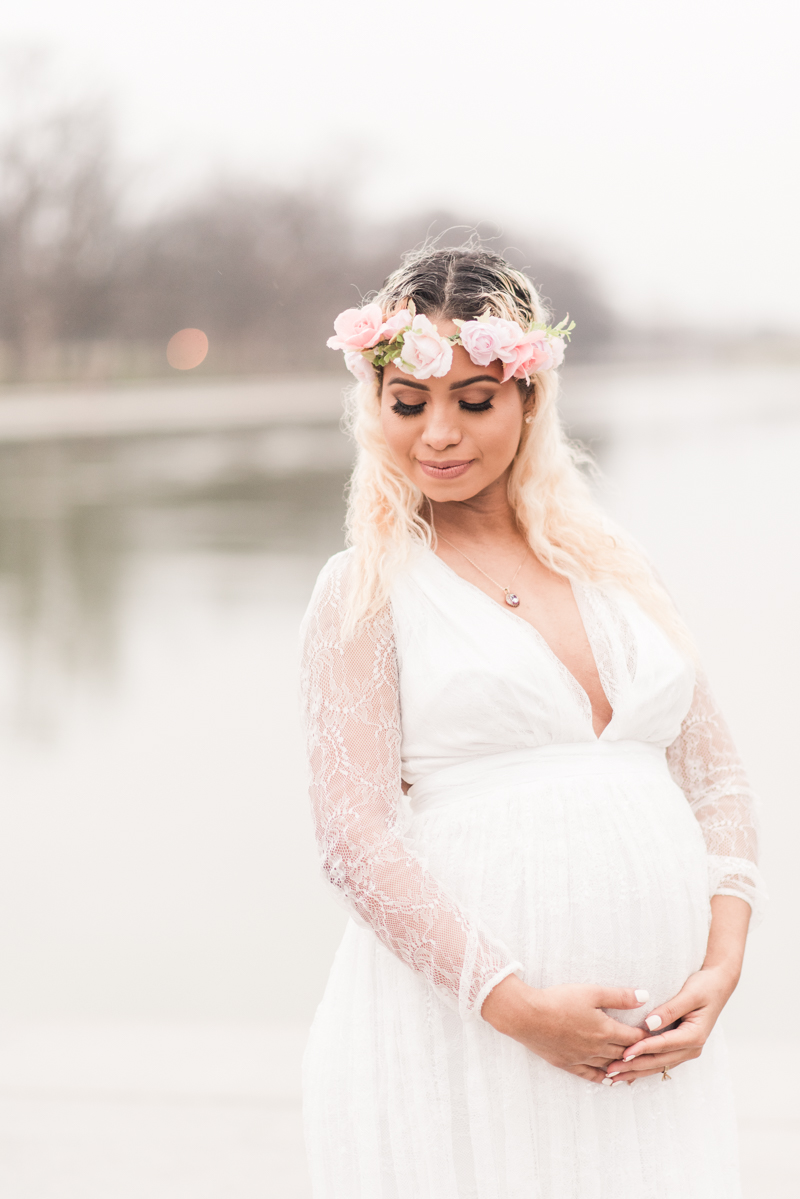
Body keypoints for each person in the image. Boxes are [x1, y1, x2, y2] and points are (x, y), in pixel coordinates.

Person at [299, 245, 765, 1199]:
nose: (438, 433)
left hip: (656, 1055)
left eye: (474, 401)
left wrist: (721, 966)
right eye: (408, 402)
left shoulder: (613, 563)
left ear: (528, 401)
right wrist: (517, 1006)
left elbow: (718, 779)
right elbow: (354, 840)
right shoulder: (364, 590)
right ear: (373, 405)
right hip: (470, 1043)